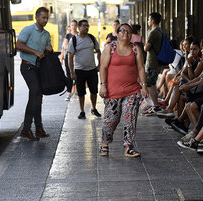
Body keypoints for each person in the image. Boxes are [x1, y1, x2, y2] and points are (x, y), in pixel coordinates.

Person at [99, 23, 148, 158]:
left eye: (128, 31)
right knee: (111, 119)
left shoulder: (135, 49)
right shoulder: (110, 48)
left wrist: (144, 85)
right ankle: (105, 142)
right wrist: (103, 85)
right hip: (112, 91)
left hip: (132, 90)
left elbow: (141, 68)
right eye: (123, 31)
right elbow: (102, 67)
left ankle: (128, 146)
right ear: (118, 33)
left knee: (130, 118)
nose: (125, 33)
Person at [16, 7, 53, 141]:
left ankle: (38, 128)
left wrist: (48, 49)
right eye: (43, 17)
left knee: (38, 96)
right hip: (27, 67)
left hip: (39, 68)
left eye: (47, 18)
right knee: (35, 93)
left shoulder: (47, 34)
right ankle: (26, 129)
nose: (45, 20)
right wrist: (35, 52)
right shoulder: (28, 30)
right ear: (36, 17)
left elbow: (47, 49)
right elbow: (18, 45)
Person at [67, 19, 101, 119]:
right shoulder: (74, 40)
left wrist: (99, 65)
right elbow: (70, 56)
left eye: (87, 26)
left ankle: (93, 108)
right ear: (79, 27)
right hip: (79, 71)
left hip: (92, 70)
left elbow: (99, 52)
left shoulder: (91, 38)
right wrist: (71, 72)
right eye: (84, 26)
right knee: (81, 92)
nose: (86, 28)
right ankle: (82, 111)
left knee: (94, 91)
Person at [142, 12, 165, 115]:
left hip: (152, 62)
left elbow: (146, 47)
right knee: (152, 85)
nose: (148, 22)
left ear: (152, 21)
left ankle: (155, 106)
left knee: (149, 84)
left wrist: (144, 45)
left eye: (149, 20)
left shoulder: (153, 33)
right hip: (155, 62)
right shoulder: (159, 31)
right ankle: (154, 105)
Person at [60, 20, 78, 101]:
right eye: (72, 25)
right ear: (70, 27)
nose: (73, 27)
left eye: (75, 25)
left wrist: (71, 47)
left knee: (78, 74)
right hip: (69, 57)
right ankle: (69, 93)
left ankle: (77, 93)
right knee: (69, 75)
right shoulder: (68, 36)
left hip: (78, 57)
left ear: (77, 26)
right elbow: (65, 46)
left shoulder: (79, 35)